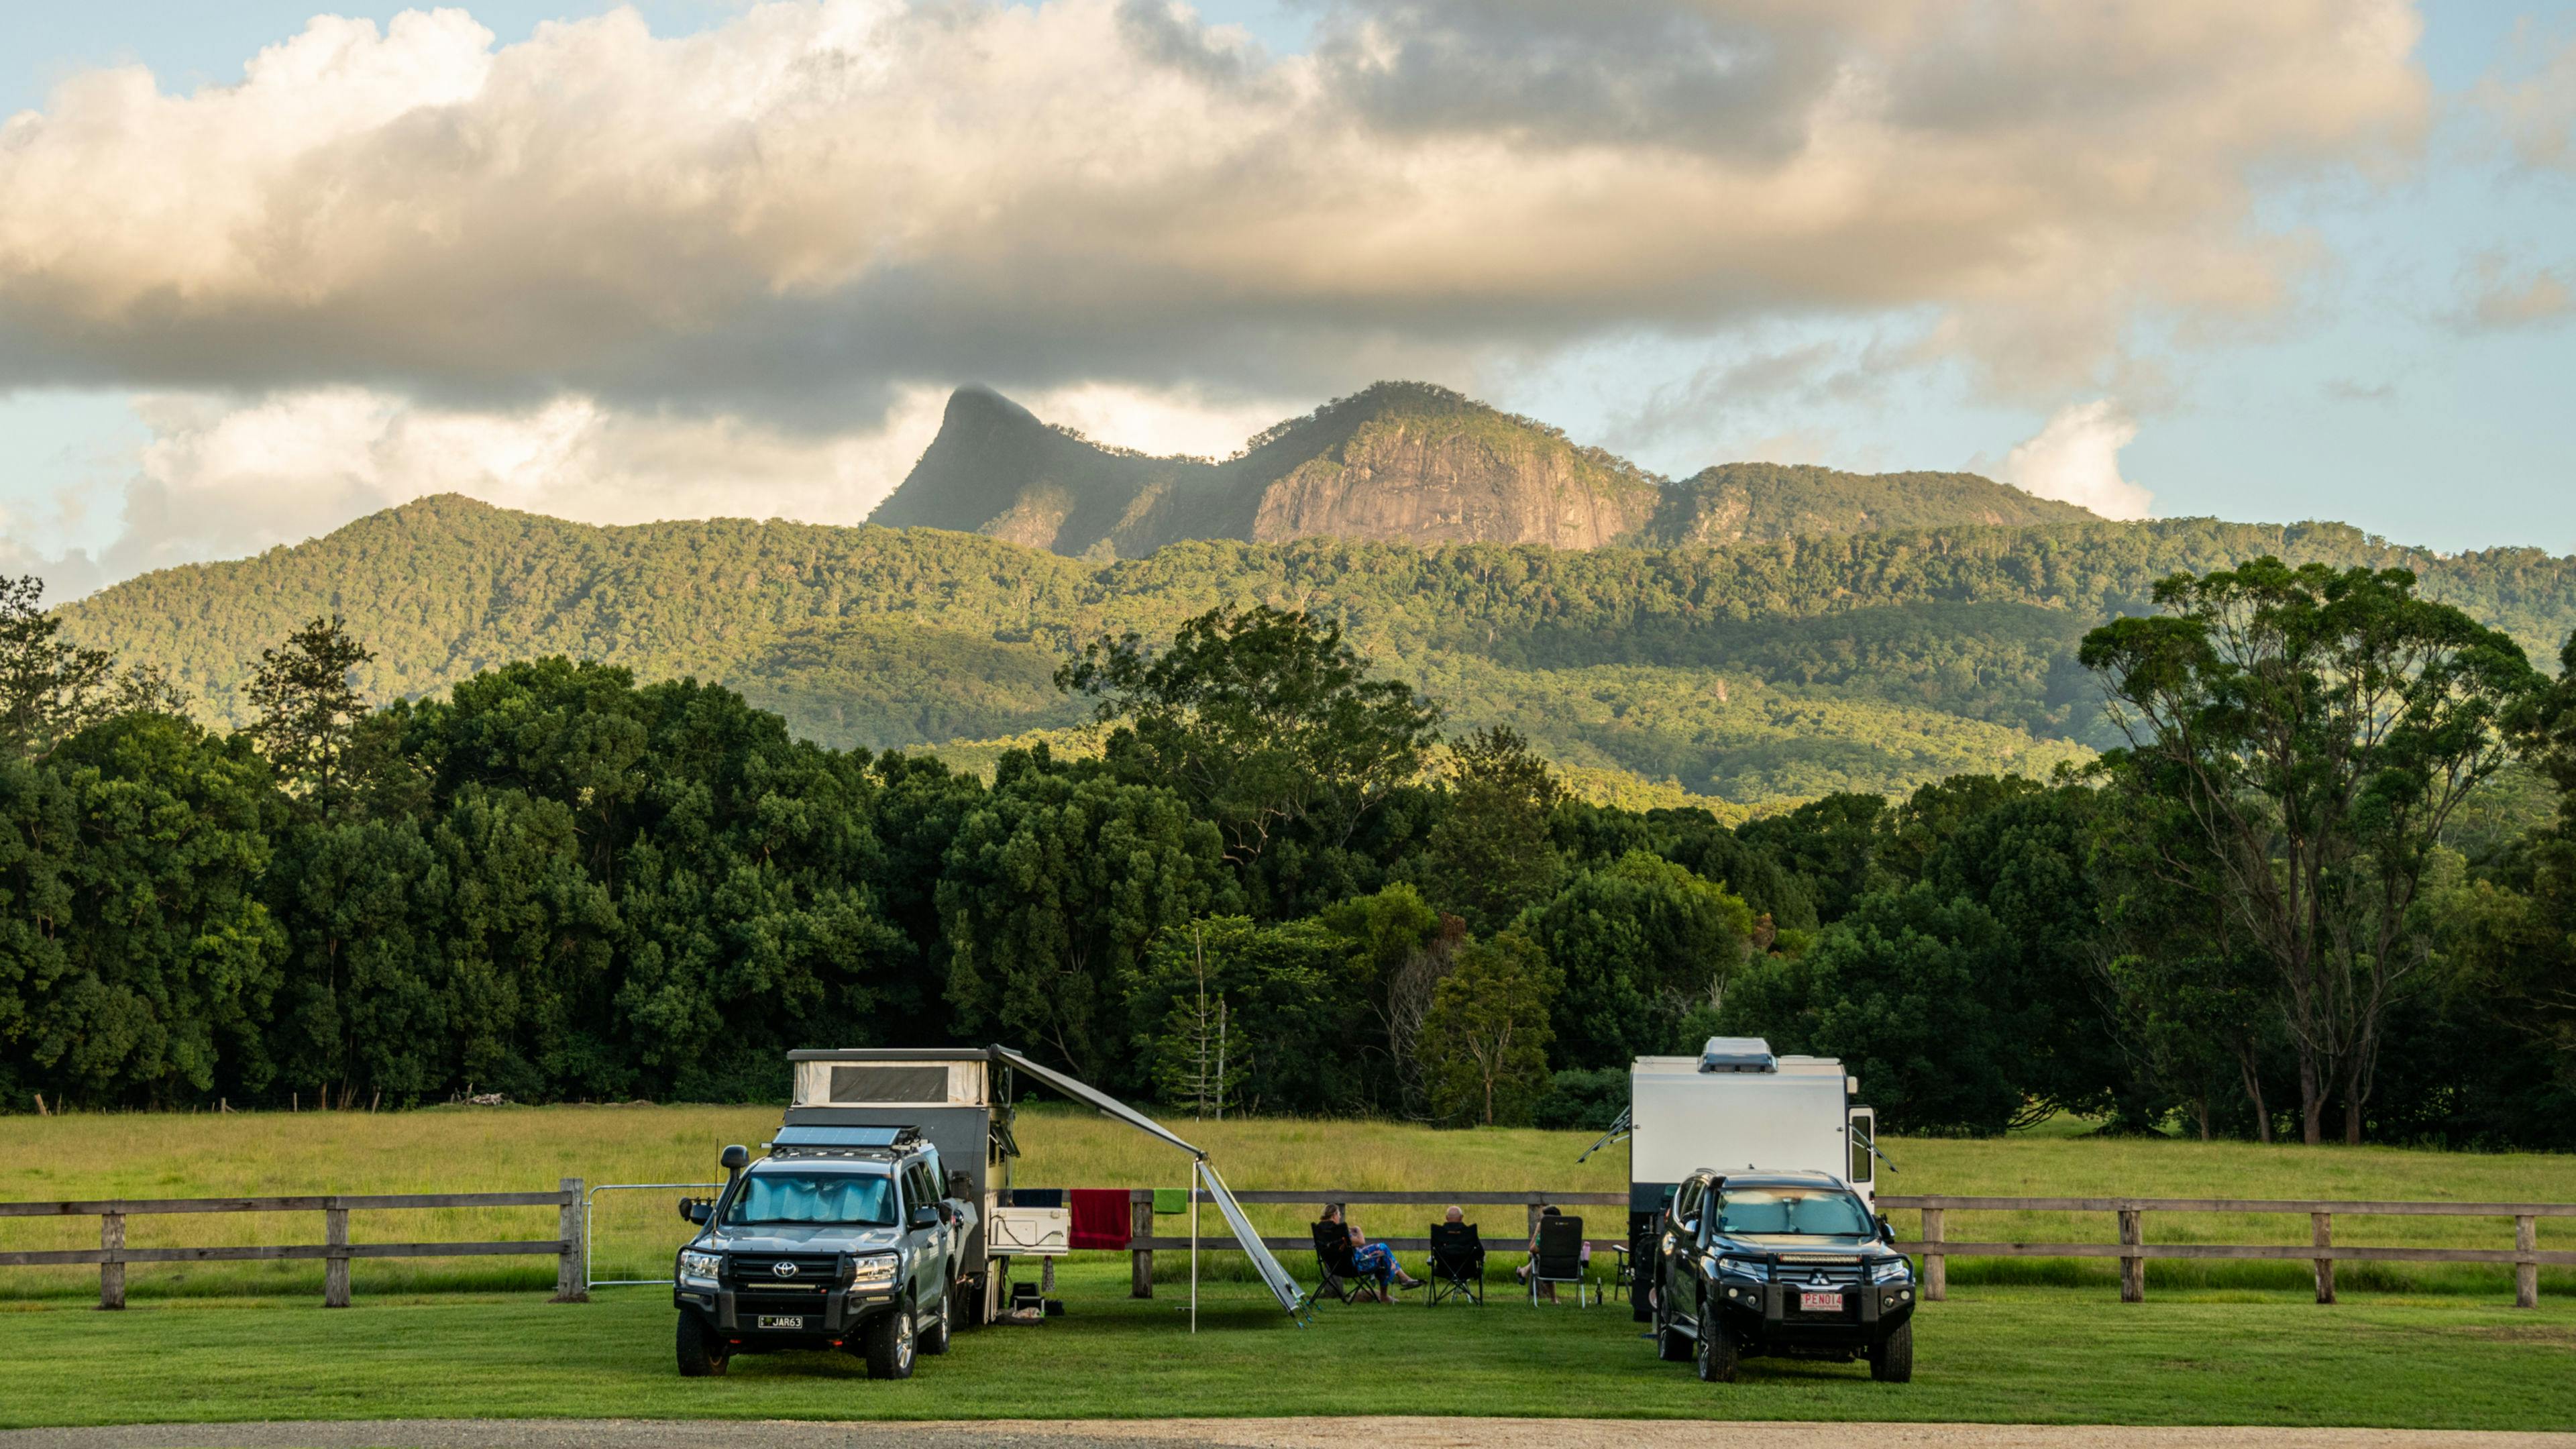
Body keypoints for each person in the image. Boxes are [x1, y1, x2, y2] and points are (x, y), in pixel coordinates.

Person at [1515, 1203, 1590, 1301]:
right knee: (1544, 1258)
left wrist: (1537, 1231)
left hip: (1549, 1269)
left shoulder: (1544, 1236)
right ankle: (1524, 1271)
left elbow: (1532, 1249)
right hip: (1570, 1269)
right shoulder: (1570, 1233)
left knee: (1538, 1258)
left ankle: (1524, 1272)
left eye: (1542, 1221)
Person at [1348, 1221, 1424, 1294]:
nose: (1340, 1216)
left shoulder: (1338, 1233)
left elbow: (1354, 1244)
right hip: (1357, 1265)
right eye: (1339, 1214)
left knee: (1382, 1254)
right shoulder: (1342, 1231)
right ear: (1335, 1215)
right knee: (1382, 1251)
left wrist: (1351, 1234)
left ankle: (1404, 1279)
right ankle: (1401, 1281)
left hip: (1346, 1266)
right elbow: (1362, 1242)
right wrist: (1358, 1229)